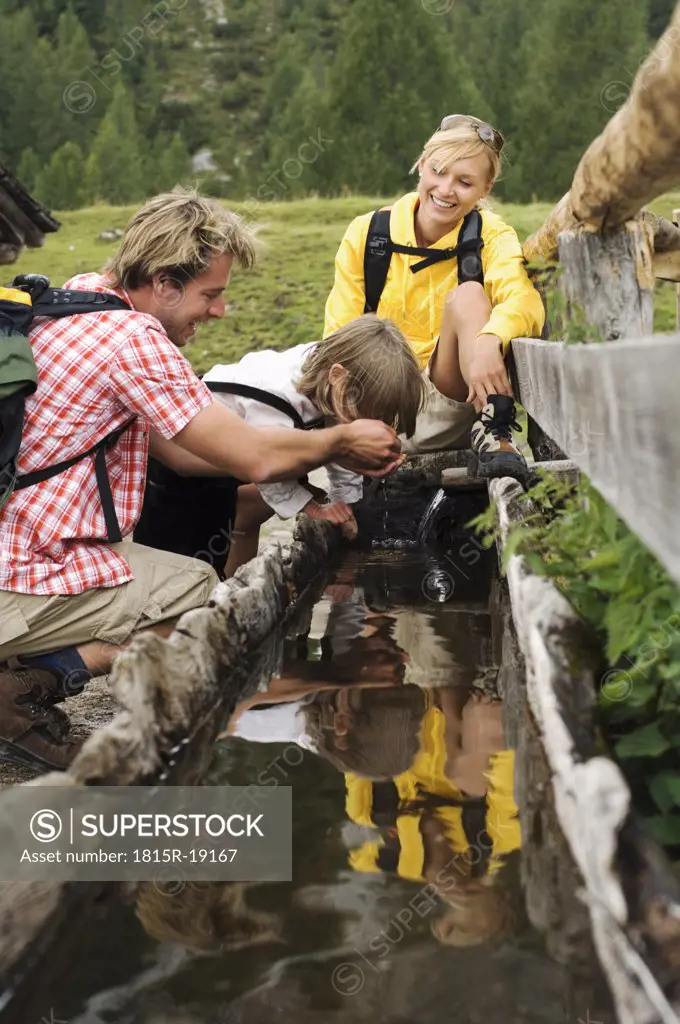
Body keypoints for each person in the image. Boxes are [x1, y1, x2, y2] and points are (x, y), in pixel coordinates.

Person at [0, 188, 404, 772]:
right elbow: (253, 460)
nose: (218, 311)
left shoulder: (78, 298)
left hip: (20, 550)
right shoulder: (135, 340)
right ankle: (28, 686)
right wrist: (337, 441)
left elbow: (188, 457)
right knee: (198, 595)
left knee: (179, 576)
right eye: (210, 294)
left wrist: (300, 463)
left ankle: (23, 669)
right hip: (23, 570)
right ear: (164, 283)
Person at [324, 113, 545, 480]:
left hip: (448, 402)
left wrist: (492, 339)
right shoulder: (367, 233)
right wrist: (349, 426)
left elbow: (523, 298)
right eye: (438, 171)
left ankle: (494, 429)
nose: (445, 189)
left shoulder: (491, 235)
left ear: (485, 189)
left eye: (464, 181)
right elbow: (338, 335)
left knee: (469, 296)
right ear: (422, 165)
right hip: (376, 406)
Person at [201, 314, 424, 576]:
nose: (369, 429)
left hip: (242, 457)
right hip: (192, 456)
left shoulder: (336, 378)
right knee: (201, 540)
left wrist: (346, 503)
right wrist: (314, 509)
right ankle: (216, 590)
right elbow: (266, 467)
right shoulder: (278, 396)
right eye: (368, 415)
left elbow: (341, 442)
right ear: (338, 376)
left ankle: (233, 580)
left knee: (248, 513)